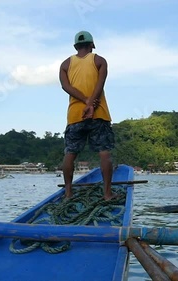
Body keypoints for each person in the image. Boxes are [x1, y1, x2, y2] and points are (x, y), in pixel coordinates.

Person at [59, 31, 117, 201]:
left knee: (70, 153)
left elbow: (66, 87)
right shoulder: (99, 60)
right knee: (104, 153)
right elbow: (100, 84)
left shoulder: (65, 64)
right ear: (92, 45)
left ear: (75, 46)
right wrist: (91, 105)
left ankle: (68, 193)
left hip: (75, 115)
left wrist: (85, 102)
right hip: (98, 114)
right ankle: (107, 194)